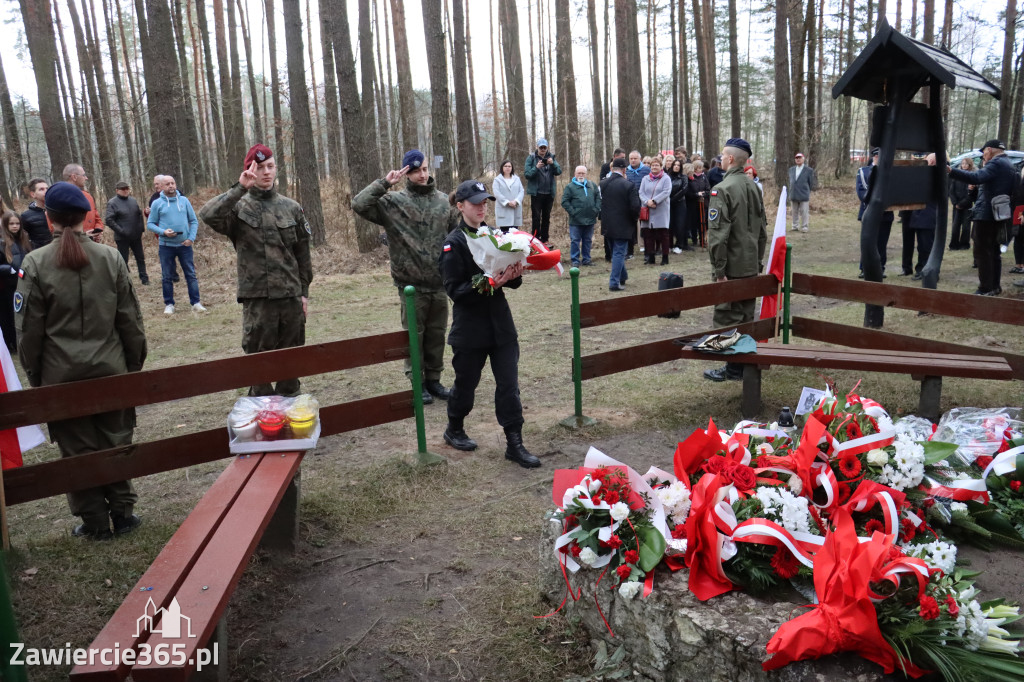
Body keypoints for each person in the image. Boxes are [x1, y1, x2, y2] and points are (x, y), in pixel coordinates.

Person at [15, 182, 147, 540]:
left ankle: (94, 522)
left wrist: (37, 377)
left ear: (49, 218)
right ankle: (122, 514)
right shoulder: (110, 257)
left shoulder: (35, 263)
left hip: (61, 376)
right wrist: (132, 367)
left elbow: (28, 333)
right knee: (115, 440)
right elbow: (130, 321)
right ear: (86, 216)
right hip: (111, 369)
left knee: (76, 450)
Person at [438, 180, 539, 469]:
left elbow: (513, 281)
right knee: (466, 385)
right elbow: (455, 291)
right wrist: (493, 281)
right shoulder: (453, 243)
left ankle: (514, 443)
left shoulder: (494, 234)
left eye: (485, 202)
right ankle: (454, 428)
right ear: (460, 206)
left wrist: (515, 272)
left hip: (501, 326)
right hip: (470, 329)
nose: (482, 207)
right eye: (475, 202)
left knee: (509, 386)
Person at [199, 144, 313, 396]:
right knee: (258, 364)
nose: (266, 172)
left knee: (291, 361)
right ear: (249, 170)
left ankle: (291, 414)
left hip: (290, 296)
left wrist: (304, 292)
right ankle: (262, 421)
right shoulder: (239, 207)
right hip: (258, 298)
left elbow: (302, 255)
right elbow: (207, 215)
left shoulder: (291, 207)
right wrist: (240, 188)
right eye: (259, 168)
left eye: (270, 166)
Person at [353, 149, 453, 405]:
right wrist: (385, 183)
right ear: (406, 173)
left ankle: (434, 379)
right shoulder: (393, 203)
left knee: (436, 334)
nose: (422, 175)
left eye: (425, 169)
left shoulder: (443, 201)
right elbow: (359, 204)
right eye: (416, 170)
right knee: (414, 336)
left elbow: (457, 235)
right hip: (410, 286)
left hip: (439, 282)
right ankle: (417, 383)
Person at [703, 138, 767, 382]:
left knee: (728, 317)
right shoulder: (753, 187)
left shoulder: (722, 189)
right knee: (746, 317)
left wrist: (719, 271)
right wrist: (757, 262)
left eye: (722, 155)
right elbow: (762, 231)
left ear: (730, 159)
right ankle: (740, 367)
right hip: (750, 264)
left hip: (732, 267)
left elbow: (718, 237)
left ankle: (731, 368)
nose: (720, 158)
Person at [948, 140, 1016, 295]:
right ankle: (995, 286)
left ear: (989, 149)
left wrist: (950, 170)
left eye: (984, 152)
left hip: (986, 214)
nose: (983, 155)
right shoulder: (1008, 164)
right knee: (993, 250)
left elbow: (977, 177)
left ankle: (985, 287)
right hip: (998, 213)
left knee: (982, 251)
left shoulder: (996, 163)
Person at [147, 175, 205, 314]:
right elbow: (150, 224)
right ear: (162, 186)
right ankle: (169, 304)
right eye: (167, 184)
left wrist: (191, 238)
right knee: (167, 276)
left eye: (173, 183)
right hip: (166, 246)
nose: (171, 186)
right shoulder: (157, 203)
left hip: (185, 245)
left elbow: (194, 221)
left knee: (190, 274)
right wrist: (163, 232)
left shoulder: (184, 201)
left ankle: (196, 302)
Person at [600, 157, 641, 291]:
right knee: (618, 253)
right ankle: (614, 282)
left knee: (615, 252)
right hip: (623, 224)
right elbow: (635, 206)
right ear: (624, 170)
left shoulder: (603, 184)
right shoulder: (629, 185)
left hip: (607, 224)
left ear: (612, 169)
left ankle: (623, 276)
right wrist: (634, 219)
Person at [855, 148, 893, 278]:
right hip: (869, 212)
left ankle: (880, 268)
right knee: (868, 242)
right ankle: (864, 268)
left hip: (886, 213)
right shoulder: (863, 171)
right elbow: (862, 193)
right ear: (875, 157)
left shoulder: (891, 172)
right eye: (878, 156)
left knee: (882, 243)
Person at [105, 181, 149, 285]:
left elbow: (139, 215)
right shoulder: (112, 203)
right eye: (122, 189)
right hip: (122, 237)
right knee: (123, 260)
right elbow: (109, 220)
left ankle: (144, 278)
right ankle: (123, 280)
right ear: (117, 191)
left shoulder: (133, 201)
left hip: (136, 236)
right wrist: (121, 231)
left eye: (127, 189)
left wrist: (141, 229)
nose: (125, 191)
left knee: (140, 257)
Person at [0, 211, 31, 351]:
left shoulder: (25, 238)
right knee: (10, 316)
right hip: (7, 285)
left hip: (24, 282)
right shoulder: (2, 242)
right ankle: (11, 344)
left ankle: (24, 343)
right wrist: (9, 270)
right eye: (11, 224)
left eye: (17, 223)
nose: (15, 226)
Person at [523, 138, 562, 246]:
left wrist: (552, 163)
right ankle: (535, 240)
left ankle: (545, 240)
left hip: (549, 193)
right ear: (537, 147)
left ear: (547, 148)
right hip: (536, 193)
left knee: (546, 217)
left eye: (545, 147)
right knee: (536, 217)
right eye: (541, 147)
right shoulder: (531, 158)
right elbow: (527, 174)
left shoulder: (551, 157)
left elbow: (559, 171)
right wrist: (536, 167)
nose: (543, 149)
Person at [560, 165, 601, 267]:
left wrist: (596, 210)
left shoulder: (592, 185)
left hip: (590, 218)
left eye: (583, 173)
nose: (581, 175)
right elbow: (564, 202)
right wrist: (573, 212)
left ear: (586, 174)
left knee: (587, 240)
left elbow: (598, 198)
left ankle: (587, 259)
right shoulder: (570, 187)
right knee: (575, 240)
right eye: (579, 173)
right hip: (576, 220)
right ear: (575, 174)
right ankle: (575, 260)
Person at [639, 158, 672, 265]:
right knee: (648, 235)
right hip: (647, 209)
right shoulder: (645, 179)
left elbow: (666, 192)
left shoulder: (666, 178)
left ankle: (665, 257)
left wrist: (654, 201)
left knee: (663, 235)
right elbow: (641, 192)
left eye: (656, 165)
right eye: (652, 165)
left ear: (661, 166)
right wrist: (647, 201)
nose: (654, 167)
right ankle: (651, 256)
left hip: (661, 209)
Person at [62, 163, 103, 243]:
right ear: (74, 177)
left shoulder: (88, 197)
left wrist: (97, 232)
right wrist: (81, 235)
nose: (86, 178)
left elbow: (97, 218)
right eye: (83, 175)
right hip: (72, 246)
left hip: (91, 244)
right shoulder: (59, 198)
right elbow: (55, 228)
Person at [948, 157, 977, 251]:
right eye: (962, 163)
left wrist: (962, 204)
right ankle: (953, 245)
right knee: (955, 226)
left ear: (969, 165)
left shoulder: (971, 176)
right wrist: (955, 203)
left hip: (967, 205)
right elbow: (951, 191)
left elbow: (971, 194)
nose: (964, 165)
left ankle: (964, 244)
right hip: (956, 205)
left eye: (966, 163)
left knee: (966, 226)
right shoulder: (956, 176)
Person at [788, 152, 818, 232]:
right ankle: (795, 226)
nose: (798, 159)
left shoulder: (809, 170)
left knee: (804, 211)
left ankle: (805, 226)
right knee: (794, 212)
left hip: (804, 194)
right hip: (793, 194)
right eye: (796, 158)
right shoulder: (791, 169)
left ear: (803, 159)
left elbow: (811, 183)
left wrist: (807, 190)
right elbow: (790, 182)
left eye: (799, 158)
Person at [492, 160, 525, 230]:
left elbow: (521, 191)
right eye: (505, 166)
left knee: (515, 234)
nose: (507, 168)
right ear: (502, 168)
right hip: (503, 209)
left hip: (515, 208)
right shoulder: (497, 180)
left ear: (512, 168)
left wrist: (516, 201)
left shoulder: (517, 179)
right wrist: (507, 202)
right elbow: (496, 193)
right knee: (504, 234)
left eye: (509, 166)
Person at [685, 161, 711, 247]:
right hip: (693, 203)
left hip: (703, 203)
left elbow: (708, 189)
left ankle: (702, 239)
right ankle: (694, 239)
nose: (701, 169)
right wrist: (696, 194)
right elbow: (690, 191)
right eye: (699, 168)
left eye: (701, 168)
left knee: (702, 222)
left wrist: (703, 194)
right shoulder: (691, 177)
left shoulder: (704, 177)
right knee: (694, 222)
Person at [21, 178, 52, 249]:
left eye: (47, 188)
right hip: (41, 255)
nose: (46, 191)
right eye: (41, 189)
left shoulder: (58, 210)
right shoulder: (26, 216)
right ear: (33, 194)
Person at [668, 159, 689, 253]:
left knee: (680, 224)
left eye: (678, 165)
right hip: (668, 203)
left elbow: (684, 190)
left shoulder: (683, 177)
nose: (676, 166)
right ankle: (669, 245)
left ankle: (679, 245)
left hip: (680, 203)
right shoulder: (667, 176)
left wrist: (673, 199)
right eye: (675, 165)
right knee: (669, 224)